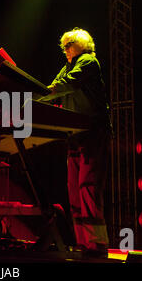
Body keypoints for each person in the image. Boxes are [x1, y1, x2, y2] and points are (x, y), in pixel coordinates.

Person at [46, 28, 111, 257]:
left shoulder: (87, 61)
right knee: (74, 191)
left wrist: (38, 94)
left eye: (68, 44)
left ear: (81, 44)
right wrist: (38, 97)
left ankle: (98, 244)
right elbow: (55, 88)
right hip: (74, 135)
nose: (64, 49)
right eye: (63, 46)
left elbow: (66, 85)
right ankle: (84, 243)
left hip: (93, 132)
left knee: (88, 187)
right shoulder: (68, 66)